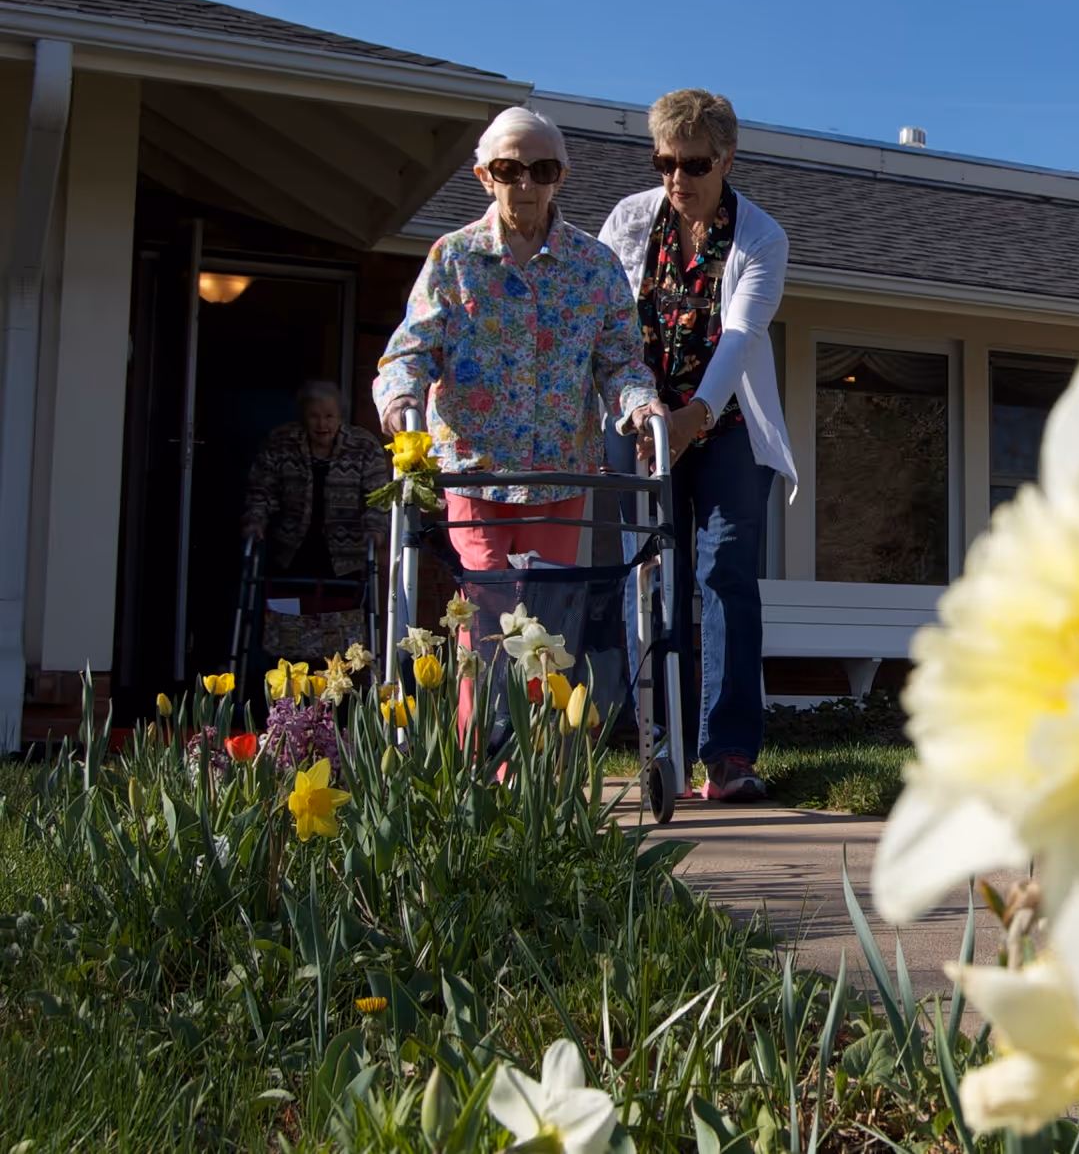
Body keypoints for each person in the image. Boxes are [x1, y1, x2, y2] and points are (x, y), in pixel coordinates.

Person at [373, 106, 657, 725]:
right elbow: (409, 351)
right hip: (474, 475)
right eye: (509, 169)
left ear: (562, 176)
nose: (525, 184)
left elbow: (621, 364)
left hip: (563, 478)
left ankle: (540, 782)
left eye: (542, 169)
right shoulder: (454, 258)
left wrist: (641, 407)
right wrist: (400, 402)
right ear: (484, 176)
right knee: (485, 630)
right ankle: (482, 770)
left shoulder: (595, 266)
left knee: (550, 636)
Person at [601, 89, 798, 803]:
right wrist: (647, 413)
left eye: (693, 163)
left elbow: (740, 336)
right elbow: (606, 322)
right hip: (640, 421)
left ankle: (730, 752)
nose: (677, 178)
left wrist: (695, 417)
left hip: (729, 425)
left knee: (724, 574)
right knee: (650, 574)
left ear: (726, 159)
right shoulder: (628, 221)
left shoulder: (761, 238)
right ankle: (662, 747)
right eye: (664, 162)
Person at [240, 381, 387, 662]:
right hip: (292, 554)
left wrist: (375, 528)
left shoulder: (363, 446)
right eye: (314, 416)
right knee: (288, 631)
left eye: (329, 416)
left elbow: (377, 496)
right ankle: (288, 695)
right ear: (302, 417)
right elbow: (262, 490)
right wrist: (255, 520)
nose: (322, 423)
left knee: (338, 639)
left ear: (341, 417)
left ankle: (337, 698)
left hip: (344, 559)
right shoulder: (282, 443)